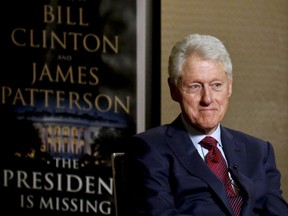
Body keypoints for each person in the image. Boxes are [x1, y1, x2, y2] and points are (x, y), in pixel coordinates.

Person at [123, 33, 288, 216]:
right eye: (195, 86)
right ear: (174, 90)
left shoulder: (259, 151)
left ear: (230, 87)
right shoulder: (149, 149)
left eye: (216, 85)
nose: (207, 99)